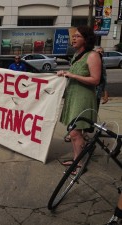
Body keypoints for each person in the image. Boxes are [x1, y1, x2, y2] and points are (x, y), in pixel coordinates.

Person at [57, 26, 101, 173]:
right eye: (73, 36)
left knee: (75, 132)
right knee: (74, 132)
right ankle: (76, 160)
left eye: (77, 36)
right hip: (73, 96)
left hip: (83, 98)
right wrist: (65, 74)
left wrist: (72, 75)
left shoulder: (93, 55)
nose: (73, 38)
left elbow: (95, 80)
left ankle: (80, 164)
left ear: (86, 39)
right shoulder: (77, 55)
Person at [95, 46, 109, 111]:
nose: (100, 53)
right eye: (98, 52)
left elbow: (104, 78)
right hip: (89, 92)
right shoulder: (90, 61)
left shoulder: (102, 63)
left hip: (98, 93)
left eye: (102, 52)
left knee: (95, 112)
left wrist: (105, 94)